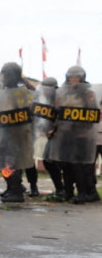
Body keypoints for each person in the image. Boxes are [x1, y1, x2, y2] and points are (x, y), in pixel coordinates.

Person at [47, 65, 100, 204]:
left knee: (79, 165)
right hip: (65, 133)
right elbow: (58, 113)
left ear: (82, 78)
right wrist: (54, 128)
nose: (74, 80)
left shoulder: (88, 93)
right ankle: (68, 191)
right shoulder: (63, 93)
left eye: (77, 77)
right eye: (71, 77)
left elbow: (93, 113)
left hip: (81, 134)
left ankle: (82, 193)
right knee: (66, 164)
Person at [0, 62, 34, 203]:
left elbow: (30, 107)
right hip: (3, 132)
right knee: (1, 162)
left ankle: (16, 191)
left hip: (16, 134)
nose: (4, 77)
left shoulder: (21, 91)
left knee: (11, 163)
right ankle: (11, 188)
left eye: (7, 74)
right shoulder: (2, 90)